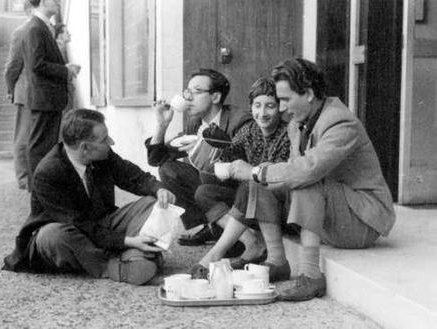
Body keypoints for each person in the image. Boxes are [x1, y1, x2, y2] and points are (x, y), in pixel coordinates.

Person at [219, 58, 396, 301]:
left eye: (285, 99)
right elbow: (287, 172)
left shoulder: (340, 121)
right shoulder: (298, 124)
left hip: (361, 221)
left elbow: (307, 170)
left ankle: (311, 275)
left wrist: (256, 171)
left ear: (309, 94)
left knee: (302, 177)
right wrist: (259, 175)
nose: (280, 108)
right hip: (331, 215)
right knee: (262, 179)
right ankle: (277, 261)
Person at [2, 109, 176, 285]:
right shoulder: (48, 172)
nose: (111, 142)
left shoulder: (102, 154)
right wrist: (127, 240)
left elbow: (132, 176)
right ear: (84, 147)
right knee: (52, 235)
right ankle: (116, 266)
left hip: (103, 223)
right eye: (104, 140)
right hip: (72, 233)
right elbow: (78, 223)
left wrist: (159, 189)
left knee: (152, 203)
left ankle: (134, 255)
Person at [191, 77, 292, 282]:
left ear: (280, 107)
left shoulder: (288, 133)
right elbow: (226, 154)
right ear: (251, 107)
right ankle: (251, 244)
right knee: (205, 192)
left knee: (253, 183)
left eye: (270, 106)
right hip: (251, 203)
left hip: (281, 208)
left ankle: (214, 255)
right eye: (257, 106)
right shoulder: (249, 130)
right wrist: (212, 141)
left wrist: (253, 171)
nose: (262, 113)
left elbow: (280, 178)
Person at [146, 68, 256, 251]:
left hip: (237, 191)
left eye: (196, 92)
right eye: (187, 92)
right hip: (210, 188)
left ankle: (232, 234)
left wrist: (206, 147)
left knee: (204, 183)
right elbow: (157, 158)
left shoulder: (239, 120)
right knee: (168, 169)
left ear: (215, 97)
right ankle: (213, 227)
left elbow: (243, 164)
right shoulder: (196, 122)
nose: (188, 98)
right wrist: (161, 125)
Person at [23, 0, 81, 190]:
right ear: (43, 2)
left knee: (44, 144)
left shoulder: (40, 26)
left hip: (47, 98)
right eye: (54, 0)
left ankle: (42, 188)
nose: (58, 3)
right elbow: (36, 64)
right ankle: (38, 190)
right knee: (40, 146)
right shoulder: (35, 27)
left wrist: (64, 69)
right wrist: (65, 70)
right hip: (44, 98)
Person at [4, 2, 32, 190]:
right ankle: (23, 178)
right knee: (23, 137)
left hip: (38, 93)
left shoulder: (41, 30)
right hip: (26, 93)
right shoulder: (21, 31)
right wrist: (10, 88)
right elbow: (12, 66)